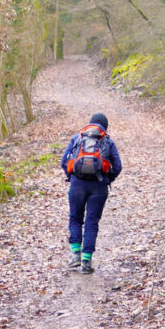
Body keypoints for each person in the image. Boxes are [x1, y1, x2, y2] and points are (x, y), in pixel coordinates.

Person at [60, 112, 122, 274]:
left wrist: (70, 177)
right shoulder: (107, 141)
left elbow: (63, 161)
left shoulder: (77, 138)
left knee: (75, 218)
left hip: (77, 184)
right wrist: (108, 179)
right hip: (99, 186)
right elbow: (118, 166)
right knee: (91, 222)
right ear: (105, 127)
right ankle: (86, 262)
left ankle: (75, 256)